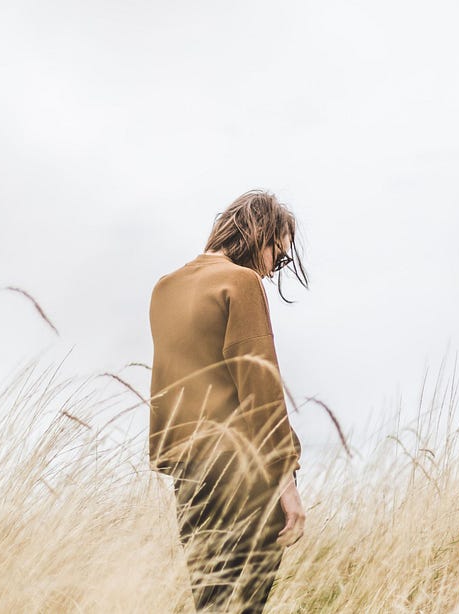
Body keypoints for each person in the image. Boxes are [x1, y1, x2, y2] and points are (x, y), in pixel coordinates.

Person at [148, 190, 309, 613]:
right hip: (245, 471)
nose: (275, 267)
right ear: (260, 235)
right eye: (280, 253)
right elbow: (260, 387)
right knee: (245, 606)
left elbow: (167, 387)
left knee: (212, 603)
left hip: (190, 476)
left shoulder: (165, 289)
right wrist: (286, 482)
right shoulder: (241, 281)